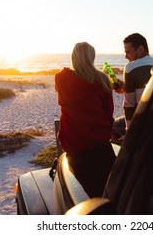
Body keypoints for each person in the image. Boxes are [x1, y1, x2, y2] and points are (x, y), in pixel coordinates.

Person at [55, 42, 116, 197]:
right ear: (92, 57)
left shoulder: (61, 79)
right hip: (99, 143)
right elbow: (109, 112)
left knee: (89, 190)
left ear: (74, 57)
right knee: (112, 189)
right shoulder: (102, 79)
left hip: (74, 145)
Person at [112, 33, 153, 141]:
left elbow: (129, 104)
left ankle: (123, 154)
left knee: (113, 126)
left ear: (140, 49)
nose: (126, 57)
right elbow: (146, 92)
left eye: (128, 52)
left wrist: (129, 134)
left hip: (141, 123)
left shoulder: (131, 67)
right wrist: (125, 88)